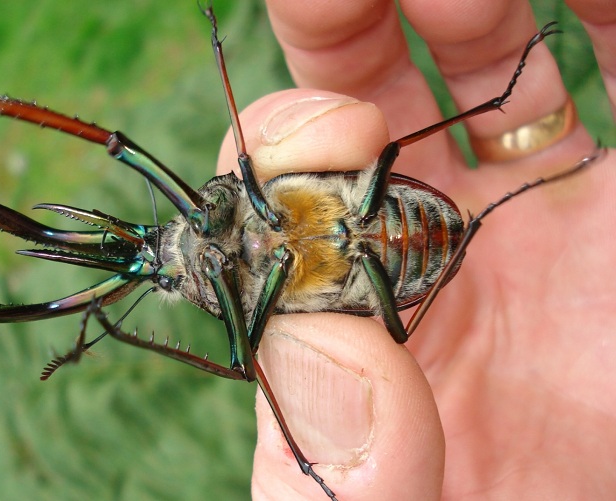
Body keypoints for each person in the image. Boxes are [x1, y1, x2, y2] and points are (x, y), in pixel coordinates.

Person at [214, 0, 616, 498]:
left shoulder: (247, 211)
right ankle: (485, 190)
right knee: (392, 331)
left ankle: (497, 103)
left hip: (374, 210)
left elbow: (247, 168)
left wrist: (219, 53)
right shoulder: (262, 298)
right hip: (385, 265)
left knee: (377, 152)